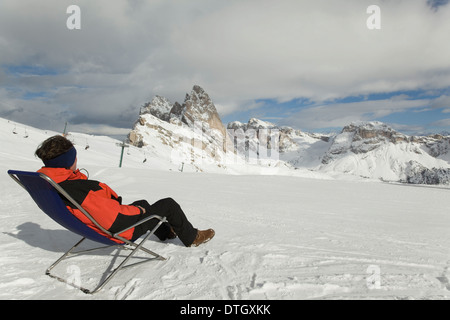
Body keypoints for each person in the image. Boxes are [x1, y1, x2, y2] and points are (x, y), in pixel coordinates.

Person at [34, 135, 215, 247]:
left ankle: (166, 233)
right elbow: (113, 218)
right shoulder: (74, 190)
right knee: (168, 204)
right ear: (67, 161)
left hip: (101, 223)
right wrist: (139, 212)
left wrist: (140, 208)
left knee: (143, 202)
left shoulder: (52, 182)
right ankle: (192, 238)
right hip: (119, 230)